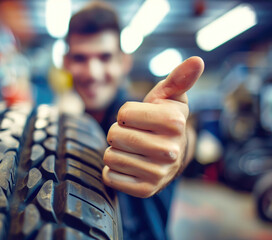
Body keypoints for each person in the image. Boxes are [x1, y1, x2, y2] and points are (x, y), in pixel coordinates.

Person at [63, 2, 204, 239]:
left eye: (105, 57)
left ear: (123, 62)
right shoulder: (75, 127)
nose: (92, 73)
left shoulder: (141, 109)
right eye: (80, 58)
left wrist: (179, 147)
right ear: (67, 63)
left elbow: (178, 130)